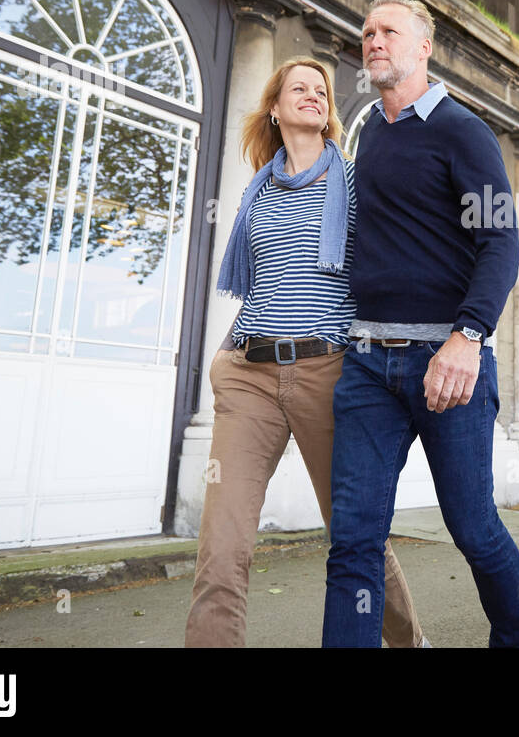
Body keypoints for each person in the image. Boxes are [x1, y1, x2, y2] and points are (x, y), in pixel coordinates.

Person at [185, 56, 425, 648]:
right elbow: (261, 281)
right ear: (276, 106)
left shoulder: (355, 180)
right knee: (221, 544)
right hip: (248, 374)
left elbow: (393, 264)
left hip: (329, 371)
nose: (315, 95)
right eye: (300, 88)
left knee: (357, 536)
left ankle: (412, 644)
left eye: (322, 90)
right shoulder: (257, 193)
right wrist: (223, 358)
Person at [321, 0, 519, 648]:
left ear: (423, 48)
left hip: (449, 364)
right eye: (366, 32)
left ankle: (512, 640)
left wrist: (469, 336)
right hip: (367, 369)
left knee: (473, 530)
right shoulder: (373, 135)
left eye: (388, 31)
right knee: (353, 538)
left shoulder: (460, 130)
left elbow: (501, 240)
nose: (373, 40)